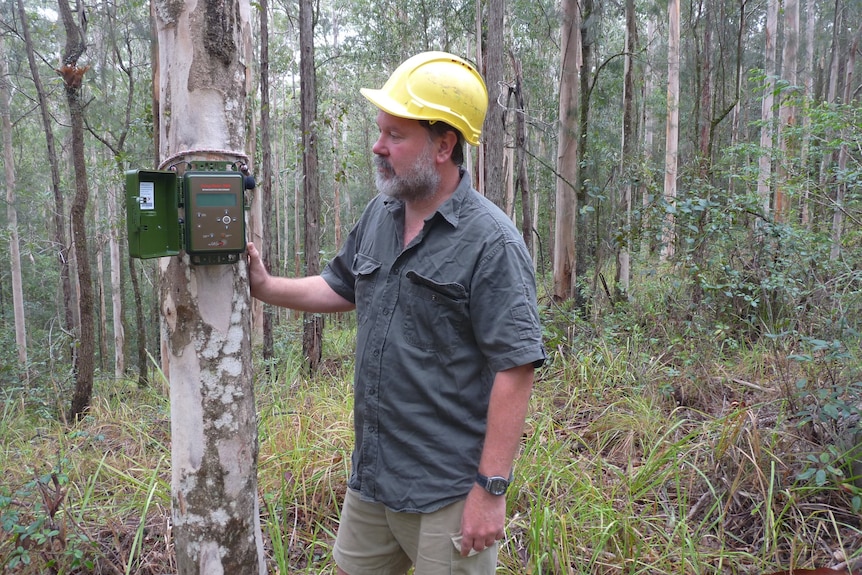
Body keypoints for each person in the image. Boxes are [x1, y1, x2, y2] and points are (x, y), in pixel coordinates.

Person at [247, 51, 546, 575]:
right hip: (375, 478)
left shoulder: (491, 242)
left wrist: (490, 491)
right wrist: (266, 287)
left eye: (396, 136)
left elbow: (515, 368)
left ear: (443, 145)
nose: (378, 146)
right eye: (379, 130)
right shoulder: (381, 212)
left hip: (448, 490)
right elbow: (342, 286)